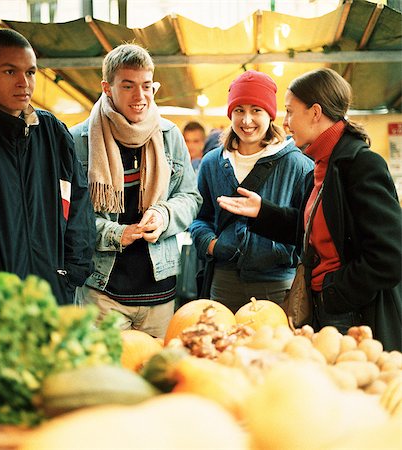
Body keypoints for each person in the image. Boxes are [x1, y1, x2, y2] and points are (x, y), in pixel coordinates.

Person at [217, 68, 402, 350]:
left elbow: (390, 256)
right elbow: (310, 233)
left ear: (315, 112)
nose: (287, 122)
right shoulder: (318, 167)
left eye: (291, 112)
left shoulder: (360, 165)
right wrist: (262, 212)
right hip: (326, 309)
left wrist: (334, 293)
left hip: (355, 316)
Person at [0, 29, 96, 305]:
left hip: (53, 301)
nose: (24, 83)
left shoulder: (53, 132)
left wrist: (68, 276)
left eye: (30, 72)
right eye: (10, 72)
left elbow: (80, 210)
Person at [71, 43, 202, 338]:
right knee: (104, 379)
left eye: (146, 86)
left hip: (160, 292)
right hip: (102, 292)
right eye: (128, 86)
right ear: (107, 87)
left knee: (155, 377)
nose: (140, 96)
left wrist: (164, 214)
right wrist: (117, 233)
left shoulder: (169, 136)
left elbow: (190, 197)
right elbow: (69, 216)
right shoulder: (79, 139)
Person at [190, 70, 314, 313]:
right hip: (223, 280)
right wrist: (212, 245)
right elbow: (199, 217)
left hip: (278, 283)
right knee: (221, 346)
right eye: (239, 110)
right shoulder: (212, 163)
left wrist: (279, 251)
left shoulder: (297, 164)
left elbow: (307, 224)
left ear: (270, 114)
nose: (247, 120)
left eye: (256, 110)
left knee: (274, 348)